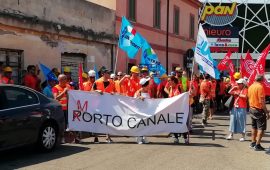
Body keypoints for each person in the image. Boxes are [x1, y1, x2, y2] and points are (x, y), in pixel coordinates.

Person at [92, 68, 115, 143]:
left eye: (109, 73)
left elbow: (114, 91)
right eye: (107, 73)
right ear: (103, 74)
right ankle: (96, 137)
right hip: (97, 104)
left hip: (108, 104)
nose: (109, 74)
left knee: (108, 120)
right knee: (97, 120)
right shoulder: (97, 82)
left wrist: (112, 93)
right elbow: (91, 91)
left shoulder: (111, 82)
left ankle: (108, 137)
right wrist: (97, 91)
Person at [248, 74, 270, 151]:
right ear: (262, 80)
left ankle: (253, 142)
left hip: (252, 108)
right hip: (258, 110)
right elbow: (262, 102)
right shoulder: (260, 87)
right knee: (261, 128)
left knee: (254, 126)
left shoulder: (251, 86)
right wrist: (267, 112)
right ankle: (257, 145)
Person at [52, 74, 71, 143]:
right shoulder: (55, 88)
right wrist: (64, 92)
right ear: (60, 80)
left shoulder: (68, 86)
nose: (66, 80)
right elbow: (56, 98)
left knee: (66, 124)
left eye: (66, 79)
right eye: (65, 79)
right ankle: (61, 138)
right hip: (60, 109)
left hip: (67, 108)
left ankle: (67, 138)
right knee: (61, 124)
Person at [134, 77, 151, 144]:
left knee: (146, 124)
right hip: (140, 111)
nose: (149, 86)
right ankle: (139, 138)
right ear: (144, 86)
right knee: (140, 125)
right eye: (148, 85)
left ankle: (144, 137)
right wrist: (139, 97)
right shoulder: (138, 92)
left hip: (146, 111)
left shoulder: (147, 93)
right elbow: (134, 100)